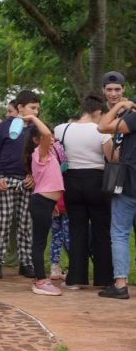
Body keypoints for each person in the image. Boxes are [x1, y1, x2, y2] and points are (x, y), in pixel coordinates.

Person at [54, 94, 113, 289]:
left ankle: (75, 279)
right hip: (96, 181)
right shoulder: (101, 132)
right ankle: (103, 279)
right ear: (98, 111)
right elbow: (111, 158)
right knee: (101, 231)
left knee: (76, 229)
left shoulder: (62, 129)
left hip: (71, 182)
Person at [0, 90, 41, 280]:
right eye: (32, 108)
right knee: (3, 221)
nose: (35, 112)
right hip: (6, 180)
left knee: (26, 223)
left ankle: (26, 262)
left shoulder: (36, 129)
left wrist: (34, 176)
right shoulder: (6, 126)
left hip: (27, 181)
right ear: (20, 108)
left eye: (37, 109)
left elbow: (42, 156)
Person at [20, 114, 65, 296]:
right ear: (35, 139)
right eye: (48, 136)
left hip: (46, 202)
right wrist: (32, 117)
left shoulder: (47, 154)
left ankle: (39, 279)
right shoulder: (40, 152)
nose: (51, 138)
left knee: (40, 243)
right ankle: (40, 281)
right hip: (41, 202)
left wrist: (53, 203)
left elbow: (47, 180)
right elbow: (45, 134)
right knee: (39, 244)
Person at [97, 97, 136, 300]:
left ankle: (120, 284)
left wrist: (121, 105)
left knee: (120, 233)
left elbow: (103, 127)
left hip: (130, 185)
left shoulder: (134, 117)